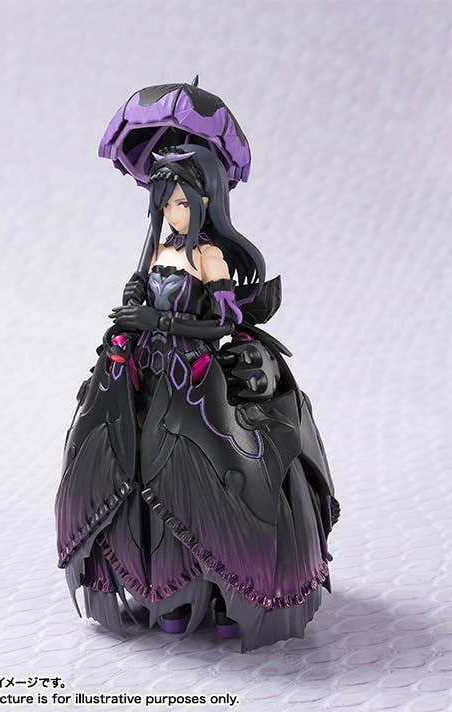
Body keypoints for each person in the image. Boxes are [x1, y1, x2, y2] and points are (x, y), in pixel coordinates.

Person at [55, 144, 340, 652]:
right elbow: (139, 303)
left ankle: (234, 591)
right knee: (120, 460)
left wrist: (158, 321)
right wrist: (133, 309)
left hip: (192, 373)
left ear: (207, 201)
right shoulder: (157, 252)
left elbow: (222, 324)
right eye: (166, 202)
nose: (174, 211)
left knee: (213, 469)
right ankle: (166, 592)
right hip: (145, 369)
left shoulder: (209, 257)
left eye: (183, 202)